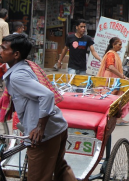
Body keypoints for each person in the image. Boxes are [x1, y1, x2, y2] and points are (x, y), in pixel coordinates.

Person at [0, 34, 76, 181]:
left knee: (38, 177)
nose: (0, 51)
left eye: (4, 49)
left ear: (16, 54)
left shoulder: (17, 76)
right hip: (57, 126)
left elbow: (47, 96)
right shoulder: (25, 65)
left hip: (44, 134)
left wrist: (40, 127)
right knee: (61, 169)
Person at [97, 37, 129, 125]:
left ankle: (117, 117)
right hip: (110, 79)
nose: (121, 47)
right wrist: (122, 76)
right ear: (113, 44)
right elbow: (110, 67)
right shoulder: (111, 54)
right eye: (119, 45)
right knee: (112, 98)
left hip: (114, 78)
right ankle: (113, 118)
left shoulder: (114, 54)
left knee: (116, 98)